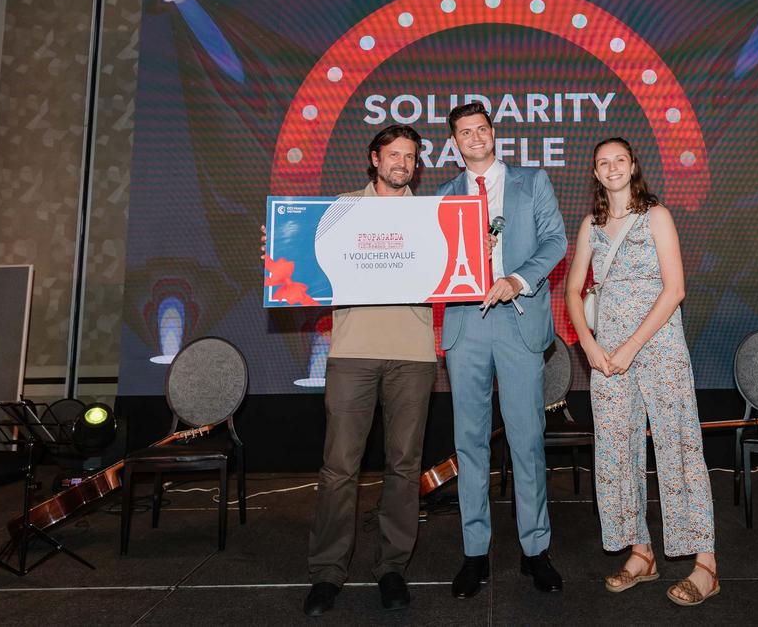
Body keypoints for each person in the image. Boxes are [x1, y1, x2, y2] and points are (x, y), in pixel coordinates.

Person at [272, 125, 438, 617]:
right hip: (351, 353)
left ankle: (392, 567)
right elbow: (301, 265)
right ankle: (327, 572)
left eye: (410, 157)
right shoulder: (339, 210)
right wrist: (280, 247)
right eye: (394, 154)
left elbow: (456, 269)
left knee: (404, 467)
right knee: (339, 468)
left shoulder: (434, 216)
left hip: (413, 354)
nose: (402, 163)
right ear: (374, 159)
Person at [564, 137, 719, 607]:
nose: (612, 168)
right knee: (615, 451)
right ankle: (641, 553)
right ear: (595, 172)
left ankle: (706, 565)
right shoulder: (591, 225)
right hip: (607, 358)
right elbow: (573, 291)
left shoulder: (657, 216)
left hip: (659, 347)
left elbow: (675, 290)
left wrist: (632, 346)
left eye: (619, 160)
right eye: (603, 162)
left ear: (633, 166)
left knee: (679, 445)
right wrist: (589, 345)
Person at [433, 102, 568, 598]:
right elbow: (431, 261)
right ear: (454, 143)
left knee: (526, 440)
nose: (474, 138)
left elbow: (555, 241)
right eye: (464, 132)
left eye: (481, 129)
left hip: (517, 319)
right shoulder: (443, 196)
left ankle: (535, 551)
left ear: (493, 134)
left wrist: (517, 279)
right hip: (465, 323)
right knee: (469, 443)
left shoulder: (532, 182)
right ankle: (475, 554)